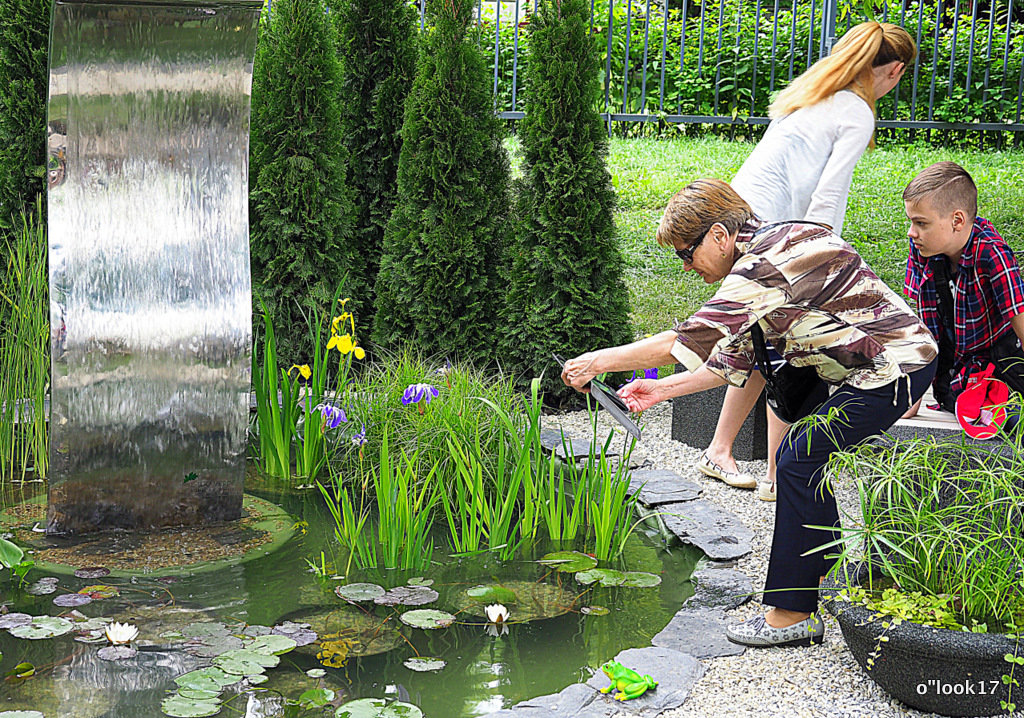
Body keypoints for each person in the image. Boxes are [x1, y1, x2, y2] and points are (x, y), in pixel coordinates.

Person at [561, 180, 937, 647]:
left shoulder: (769, 260)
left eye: (686, 252)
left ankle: (793, 613)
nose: (686, 266)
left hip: (893, 368)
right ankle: (821, 572)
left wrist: (598, 360)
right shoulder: (766, 256)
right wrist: (659, 392)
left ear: (719, 235)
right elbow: (730, 359)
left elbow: (685, 338)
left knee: (797, 460)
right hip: (871, 368)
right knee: (803, 460)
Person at [699, 21, 917, 502]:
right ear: (895, 70)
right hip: (776, 234)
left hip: (739, 222)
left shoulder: (810, 93)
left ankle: (728, 452)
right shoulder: (856, 112)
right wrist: (822, 259)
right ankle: (773, 472)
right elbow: (827, 198)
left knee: (765, 341)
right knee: (785, 347)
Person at [902, 161, 1024, 419]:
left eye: (921, 223)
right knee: (959, 405)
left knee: (1010, 419)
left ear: (957, 220)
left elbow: (1021, 322)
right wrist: (914, 392)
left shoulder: (992, 254)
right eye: (911, 222)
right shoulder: (923, 248)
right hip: (954, 373)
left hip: (1002, 367)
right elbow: (922, 328)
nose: (912, 232)